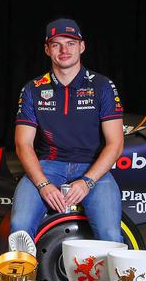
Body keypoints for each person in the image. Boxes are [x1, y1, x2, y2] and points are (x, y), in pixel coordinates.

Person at [10, 17, 125, 244]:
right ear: (47, 49)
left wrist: (87, 182)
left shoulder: (102, 86)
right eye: (56, 44)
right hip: (48, 166)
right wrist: (43, 184)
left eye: (71, 43)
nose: (64, 50)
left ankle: (113, 280)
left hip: (91, 167)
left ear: (82, 47)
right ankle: (23, 280)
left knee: (111, 235)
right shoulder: (33, 89)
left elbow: (116, 143)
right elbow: (23, 144)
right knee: (18, 228)